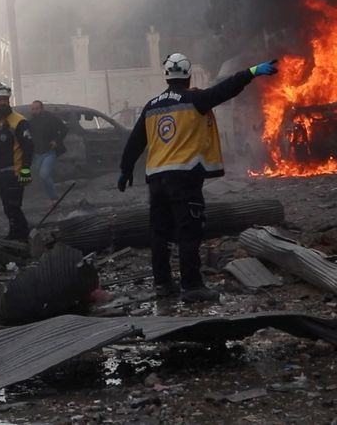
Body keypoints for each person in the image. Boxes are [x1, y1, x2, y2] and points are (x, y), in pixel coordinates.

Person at [118, 53, 278, 303]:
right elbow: (226, 89)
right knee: (188, 231)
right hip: (184, 178)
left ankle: (163, 285)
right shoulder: (195, 100)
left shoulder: (151, 106)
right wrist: (252, 71)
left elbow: (135, 141)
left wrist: (125, 170)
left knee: (159, 233)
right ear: (188, 76)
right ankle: (192, 286)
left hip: (156, 180)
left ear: (166, 77)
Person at [0, 83, 34, 241]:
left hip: (15, 171)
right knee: (7, 207)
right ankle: (18, 234)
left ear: (8, 100)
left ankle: (21, 236)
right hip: (1, 172)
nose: (1, 103)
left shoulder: (19, 121)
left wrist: (26, 168)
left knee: (14, 206)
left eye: (4, 100)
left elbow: (28, 146)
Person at [29, 100, 68, 203]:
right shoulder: (31, 122)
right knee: (42, 177)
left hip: (49, 152)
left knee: (44, 174)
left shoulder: (50, 118)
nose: (35, 111)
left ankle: (54, 198)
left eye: (37, 108)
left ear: (42, 109)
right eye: (33, 109)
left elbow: (64, 129)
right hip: (37, 154)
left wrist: (56, 141)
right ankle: (47, 197)